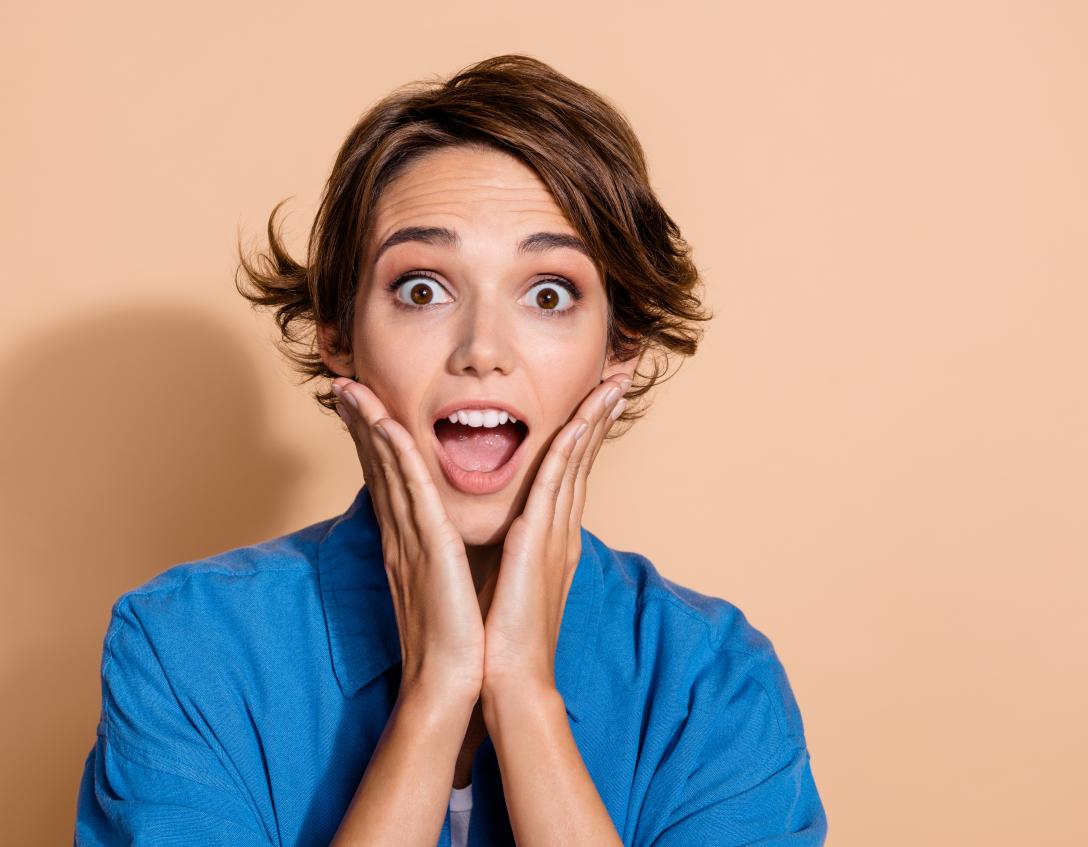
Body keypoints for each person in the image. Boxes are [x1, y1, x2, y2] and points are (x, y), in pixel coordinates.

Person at [74, 54, 827, 846]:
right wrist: (435, 694)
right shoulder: (187, 650)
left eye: (548, 293)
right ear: (339, 334)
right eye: (423, 288)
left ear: (621, 345)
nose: (482, 349)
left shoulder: (712, 684)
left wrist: (525, 698)